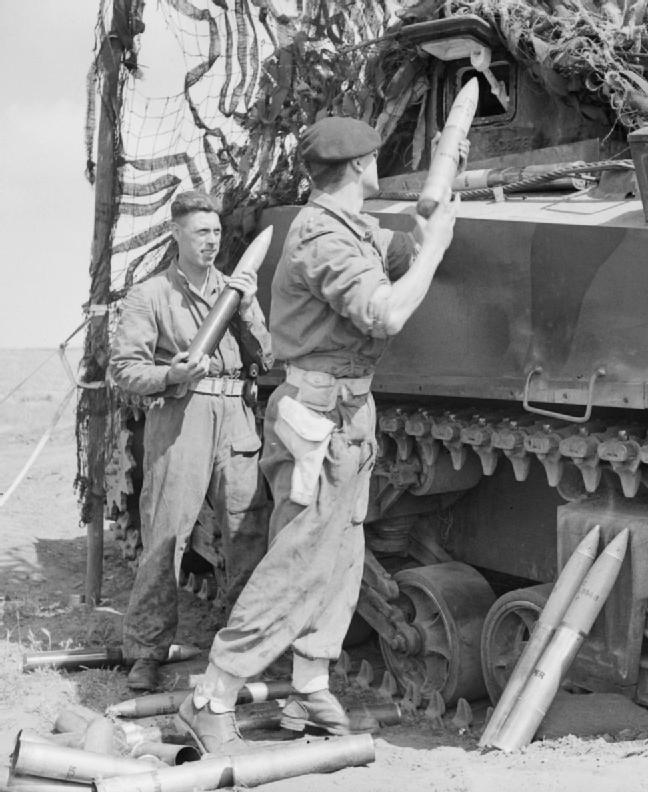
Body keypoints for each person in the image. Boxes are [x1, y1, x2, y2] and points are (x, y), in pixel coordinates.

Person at [176, 116, 462, 752]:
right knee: (300, 559)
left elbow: (390, 250)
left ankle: (309, 691)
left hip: (347, 415)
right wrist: (436, 249)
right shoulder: (319, 238)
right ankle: (212, 695)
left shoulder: (346, 226)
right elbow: (384, 313)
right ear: (361, 167)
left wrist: (428, 223)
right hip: (318, 416)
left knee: (341, 555)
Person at [110, 190, 273, 692]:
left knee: (248, 531)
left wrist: (245, 307)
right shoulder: (151, 294)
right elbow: (124, 369)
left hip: (237, 416)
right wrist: (168, 373)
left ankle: (246, 651)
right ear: (176, 233)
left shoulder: (235, 288)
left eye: (217, 232)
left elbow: (266, 357)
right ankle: (146, 652)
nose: (212, 241)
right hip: (182, 414)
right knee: (166, 533)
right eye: (201, 232)